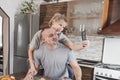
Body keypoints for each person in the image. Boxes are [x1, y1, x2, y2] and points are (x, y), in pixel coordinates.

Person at [27, 13, 89, 78]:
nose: (61, 28)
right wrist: (32, 65)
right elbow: (30, 50)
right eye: (60, 25)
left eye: (63, 27)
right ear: (53, 21)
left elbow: (72, 46)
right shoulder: (40, 34)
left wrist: (83, 45)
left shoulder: (60, 36)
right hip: (39, 64)